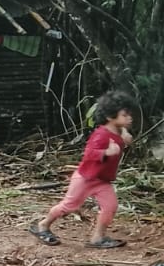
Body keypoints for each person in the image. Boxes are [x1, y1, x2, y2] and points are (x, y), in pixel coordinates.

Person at [29, 91, 134, 248]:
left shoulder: (118, 131)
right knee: (69, 206)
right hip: (86, 179)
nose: (129, 118)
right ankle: (43, 225)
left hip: (102, 180)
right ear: (110, 117)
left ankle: (98, 237)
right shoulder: (101, 135)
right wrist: (106, 152)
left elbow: (123, 138)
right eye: (125, 115)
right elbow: (89, 154)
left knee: (110, 207)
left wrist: (125, 134)